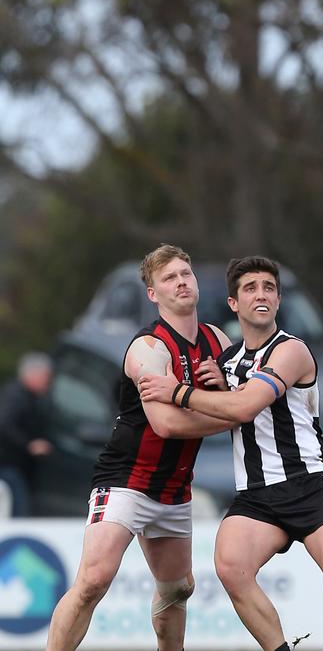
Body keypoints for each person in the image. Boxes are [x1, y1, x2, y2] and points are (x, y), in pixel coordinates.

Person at [139, 255, 323, 651]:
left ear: (279, 299)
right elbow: (215, 406)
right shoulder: (226, 362)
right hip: (256, 496)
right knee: (231, 568)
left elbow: (244, 407)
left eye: (269, 287)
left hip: (308, 485)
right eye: (250, 288)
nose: (261, 294)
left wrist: (179, 393)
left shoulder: (292, 351)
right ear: (234, 304)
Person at [46, 244, 232, 651]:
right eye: (169, 278)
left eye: (186, 273)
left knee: (177, 591)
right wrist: (231, 414)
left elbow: (247, 394)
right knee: (93, 580)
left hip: (174, 488)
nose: (181, 282)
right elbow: (165, 424)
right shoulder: (148, 348)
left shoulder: (218, 340)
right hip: (127, 481)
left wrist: (228, 395)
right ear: (153, 294)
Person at [0, 351, 53, 516]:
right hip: (9, 466)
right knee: (18, 510)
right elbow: (4, 424)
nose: (48, 381)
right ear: (32, 374)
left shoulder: (29, 396)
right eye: (46, 376)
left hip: (17, 467)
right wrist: (29, 445)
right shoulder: (15, 396)